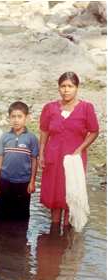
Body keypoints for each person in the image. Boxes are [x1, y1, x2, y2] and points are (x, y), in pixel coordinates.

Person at [39, 72, 99, 226]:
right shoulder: (50, 108)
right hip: (53, 156)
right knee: (54, 194)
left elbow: (94, 131)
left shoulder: (86, 108)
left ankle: (67, 231)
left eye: (70, 86)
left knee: (71, 193)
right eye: (63, 86)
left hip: (74, 158)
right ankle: (53, 237)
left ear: (76, 88)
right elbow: (44, 131)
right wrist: (41, 155)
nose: (66, 90)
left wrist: (80, 149)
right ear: (59, 88)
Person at [0, 101, 39, 220]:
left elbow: (34, 160)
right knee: (3, 215)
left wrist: (32, 181)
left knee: (22, 216)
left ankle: (20, 238)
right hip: (5, 180)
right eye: (13, 116)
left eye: (20, 116)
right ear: (9, 118)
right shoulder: (5, 137)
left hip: (23, 182)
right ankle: (3, 238)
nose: (16, 120)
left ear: (26, 118)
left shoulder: (32, 138)